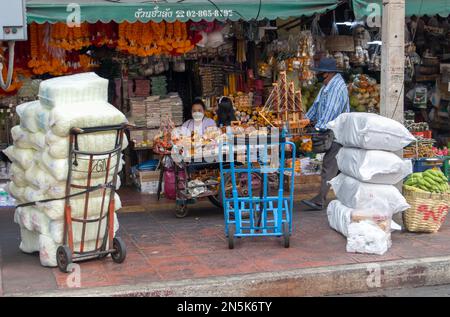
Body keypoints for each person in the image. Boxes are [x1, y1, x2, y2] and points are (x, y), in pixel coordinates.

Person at [301, 58, 350, 211]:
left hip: (336, 134)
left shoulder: (336, 88)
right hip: (330, 132)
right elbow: (316, 106)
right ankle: (327, 198)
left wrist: (316, 129)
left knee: (329, 167)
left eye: (320, 73)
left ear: (327, 73)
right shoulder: (326, 86)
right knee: (332, 168)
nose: (318, 75)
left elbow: (330, 112)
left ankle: (320, 200)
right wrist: (304, 121)